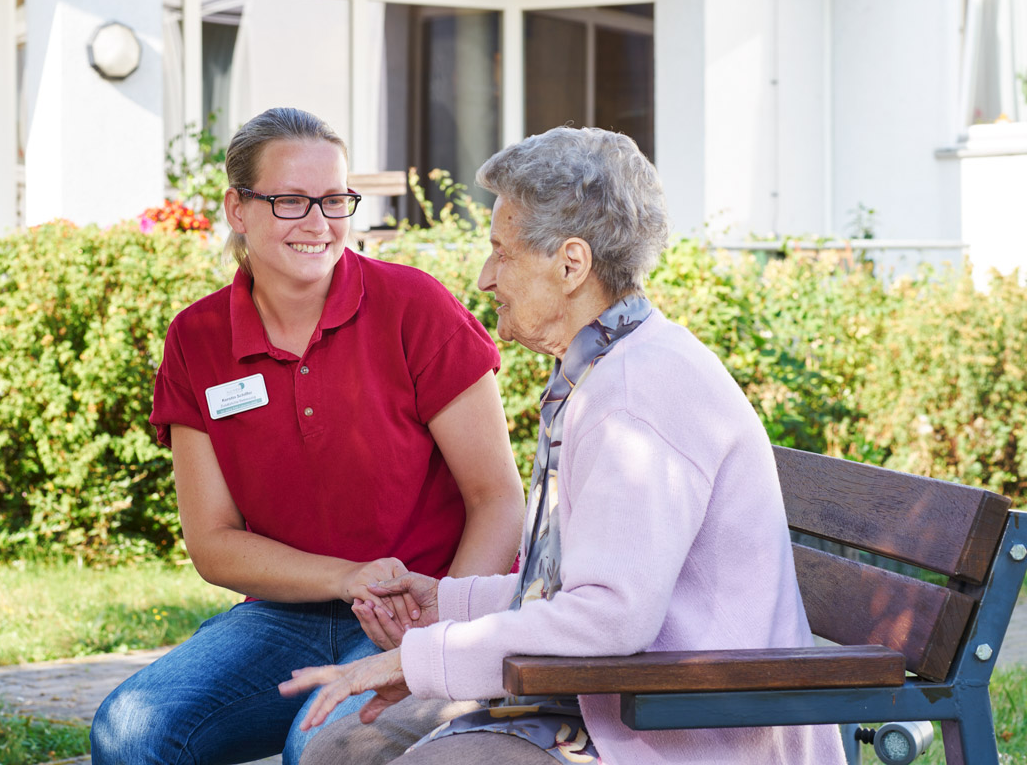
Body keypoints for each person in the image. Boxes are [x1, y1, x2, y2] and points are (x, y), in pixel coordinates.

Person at [279, 126, 849, 765]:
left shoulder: (636, 394)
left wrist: (423, 659)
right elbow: (575, 589)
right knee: (336, 748)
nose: (487, 277)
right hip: (606, 698)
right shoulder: (603, 367)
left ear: (571, 264)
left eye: (502, 252)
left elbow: (607, 619)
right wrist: (444, 601)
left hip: (680, 726)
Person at [89, 107, 525, 765]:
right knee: (130, 731)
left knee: (324, 747)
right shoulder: (198, 339)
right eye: (291, 201)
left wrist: (441, 634)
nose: (318, 224)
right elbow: (213, 543)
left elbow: (498, 498)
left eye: (333, 200)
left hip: (422, 606)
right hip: (284, 616)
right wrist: (347, 577)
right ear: (238, 209)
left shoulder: (415, 308)